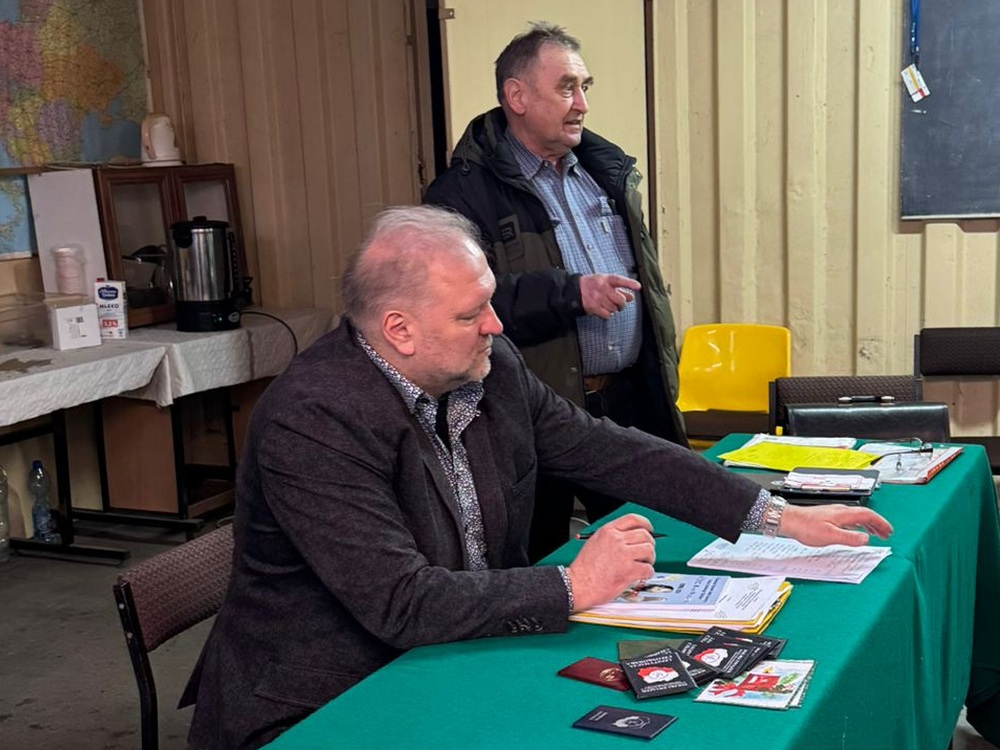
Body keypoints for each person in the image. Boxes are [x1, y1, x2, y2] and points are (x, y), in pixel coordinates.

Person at [185, 205, 892, 750]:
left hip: (456, 654)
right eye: (471, 314)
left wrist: (777, 515)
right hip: (327, 698)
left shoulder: (487, 366)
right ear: (399, 330)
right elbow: (401, 602)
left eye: (491, 301)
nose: (496, 325)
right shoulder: (313, 419)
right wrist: (573, 585)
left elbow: (609, 450)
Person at [424, 22, 688, 560]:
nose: (582, 105)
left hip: (626, 402)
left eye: (584, 87)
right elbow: (460, 306)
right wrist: (569, 293)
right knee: (537, 562)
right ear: (517, 96)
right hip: (526, 415)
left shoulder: (606, 173)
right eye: (567, 88)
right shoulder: (462, 193)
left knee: (655, 553)